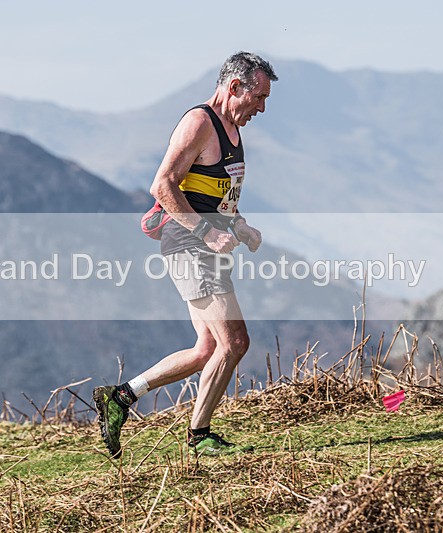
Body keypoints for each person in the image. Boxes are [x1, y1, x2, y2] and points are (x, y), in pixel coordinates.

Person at [94, 52, 277, 457]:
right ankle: (199, 436)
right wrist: (208, 233)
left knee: (206, 349)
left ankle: (121, 397)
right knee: (235, 342)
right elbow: (163, 186)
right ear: (235, 88)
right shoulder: (199, 123)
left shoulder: (231, 128)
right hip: (189, 245)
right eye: (259, 97)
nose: (262, 108)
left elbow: (214, 195)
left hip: (203, 245)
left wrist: (239, 225)